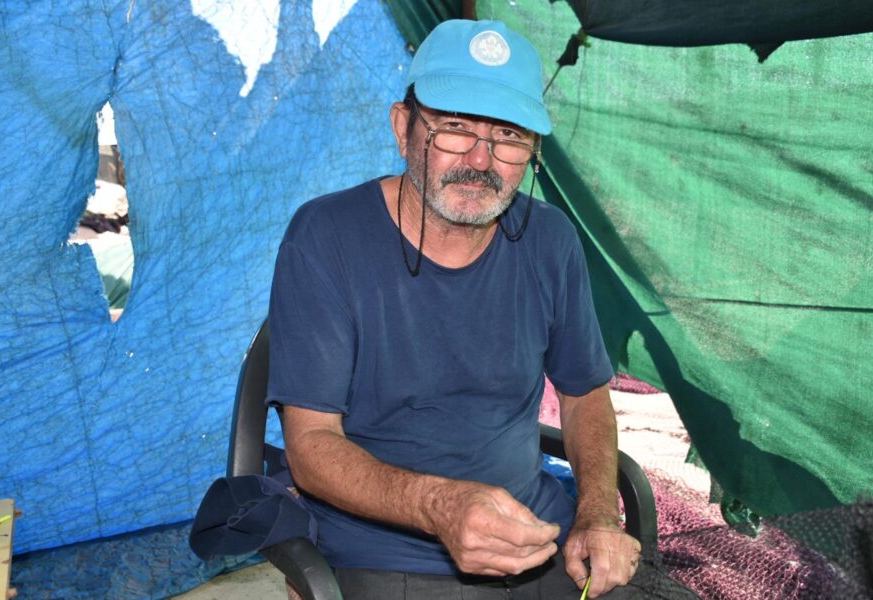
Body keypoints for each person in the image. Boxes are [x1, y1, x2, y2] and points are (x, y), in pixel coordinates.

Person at [268, 19, 641, 599]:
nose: (481, 159)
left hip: (537, 536)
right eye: (455, 128)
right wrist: (439, 505)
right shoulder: (326, 237)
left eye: (508, 135)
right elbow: (311, 445)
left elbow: (584, 395)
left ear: (533, 150)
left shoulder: (551, 240)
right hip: (388, 550)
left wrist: (596, 514)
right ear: (403, 128)